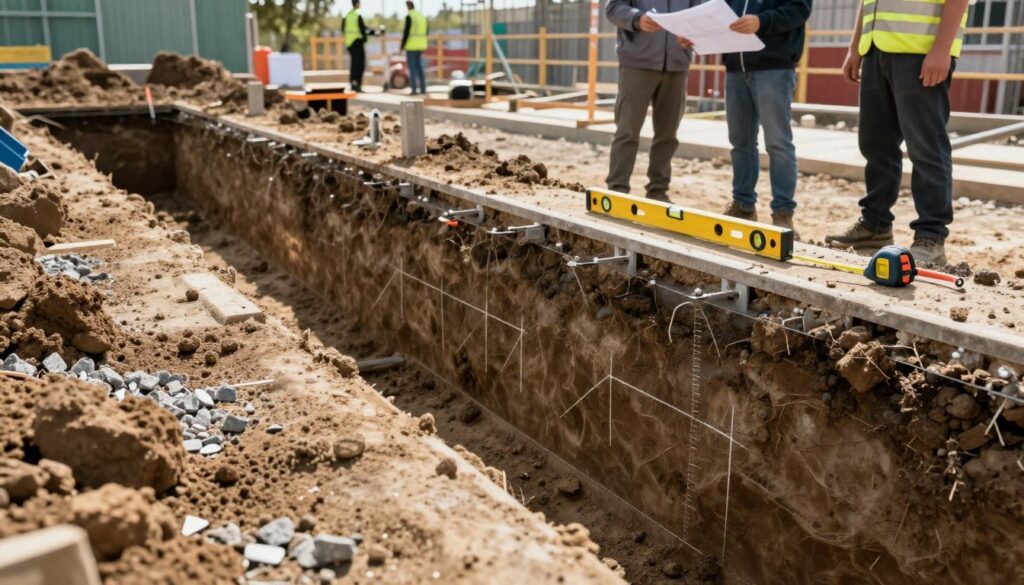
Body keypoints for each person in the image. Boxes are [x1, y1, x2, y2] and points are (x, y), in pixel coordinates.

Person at [825, 0, 971, 264]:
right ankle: (875, 225)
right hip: (875, 49)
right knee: (875, 143)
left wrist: (941, 49)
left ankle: (931, 236)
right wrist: (855, 47)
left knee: (926, 147)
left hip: (920, 50)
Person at [683, 0, 810, 234]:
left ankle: (783, 212)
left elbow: (799, 10)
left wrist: (762, 21)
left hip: (774, 68)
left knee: (778, 142)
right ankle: (743, 205)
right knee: (740, 142)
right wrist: (696, 36)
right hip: (735, 70)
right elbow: (719, 17)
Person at [605, 0, 696, 202]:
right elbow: (613, 9)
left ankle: (658, 190)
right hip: (637, 64)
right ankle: (617, 189)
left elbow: (698, 14)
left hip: (677, 64)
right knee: (627, 129)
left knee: (668, 133)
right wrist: (637, 19)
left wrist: (694, 35)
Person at [344, 0, 377, 92]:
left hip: (349, 43)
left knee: (354, 64)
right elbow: (363, 29)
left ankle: (352, 83)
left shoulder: (347, 15)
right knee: (359, 64)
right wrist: (369, 36)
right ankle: (357, 85)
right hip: (357, 42)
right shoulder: (357, 14)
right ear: (357, 3)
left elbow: (343, 29)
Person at [401, 0, 429, 95]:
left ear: (408, 6)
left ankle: (414, 90)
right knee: (419, 67)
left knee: (412, 68)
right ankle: (423, 89)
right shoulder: (421, 16)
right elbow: (427, 30)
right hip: (421, 45)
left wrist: (402, 46)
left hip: (412, 45)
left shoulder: (410, 16)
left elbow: (406, 32)